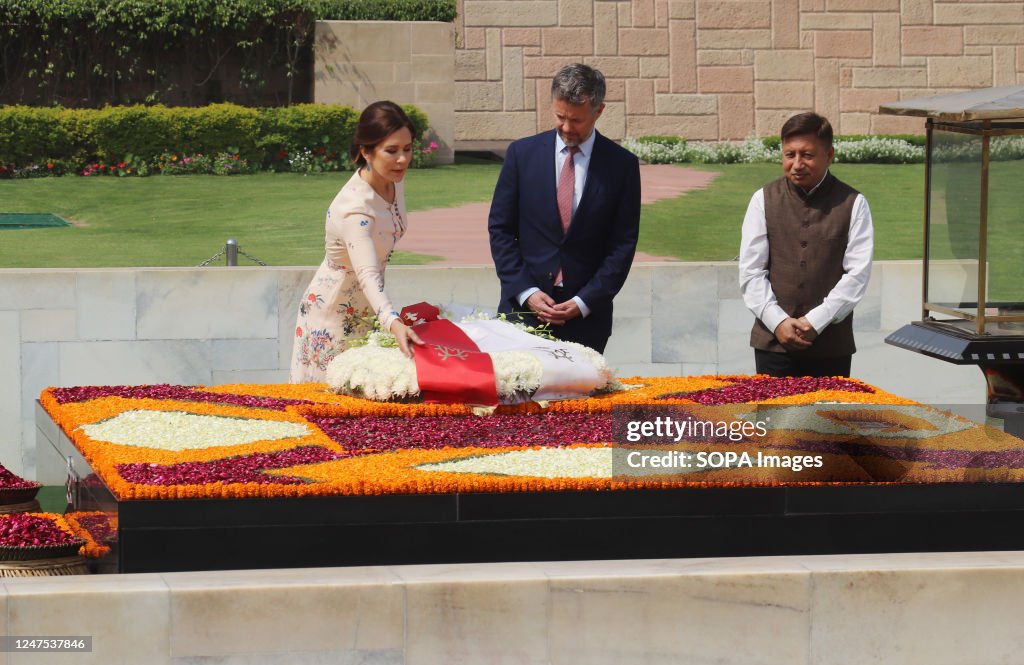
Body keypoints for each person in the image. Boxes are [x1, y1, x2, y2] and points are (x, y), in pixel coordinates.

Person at [488, 63, 641, 353]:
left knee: (579, 401)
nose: (567, 128)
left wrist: (584, 302)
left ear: (599, 111)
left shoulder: (622, 166)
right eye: (560, 117)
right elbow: (501, 230)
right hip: (522, 312)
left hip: (586, 321)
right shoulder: (521, 155)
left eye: (577, 120)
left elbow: (622, 245)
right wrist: (527, 292)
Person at [290, 101, 423, 383]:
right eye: (392, 151)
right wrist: (393, 323)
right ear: (366, 151)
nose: (402, 159)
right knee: (329, 408)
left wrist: (386, 320)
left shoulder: (393, 180)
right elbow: (367, 273)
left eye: (407, 149)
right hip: (332, 320)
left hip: (369, 312)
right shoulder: (354, 209)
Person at [739, 111, 874, 378]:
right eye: (790, 155)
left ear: (830, 155)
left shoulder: (854, 203)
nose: (797, 163)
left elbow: (857, 275)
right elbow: (751, 271)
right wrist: (778, 323)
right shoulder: (762, 199)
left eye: (807, 155)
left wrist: (816, 321)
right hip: (773, 347)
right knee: (773, 421)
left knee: (825, 421)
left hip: (830, 348)